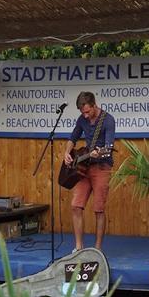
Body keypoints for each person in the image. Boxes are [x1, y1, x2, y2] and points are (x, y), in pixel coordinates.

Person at [64, 91, 115, 251]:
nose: (85, 115)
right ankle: (79, 247)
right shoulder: (82, 120)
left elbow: (109, 146)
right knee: (76, 206)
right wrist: (67, 152)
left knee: (98, 209)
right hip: (84, 167)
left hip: (102, 166)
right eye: (82, 112)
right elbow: (73, 137)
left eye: (87, 111)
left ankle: (97, 249)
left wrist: (98, 153)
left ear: (94, 105)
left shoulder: (108, 120)